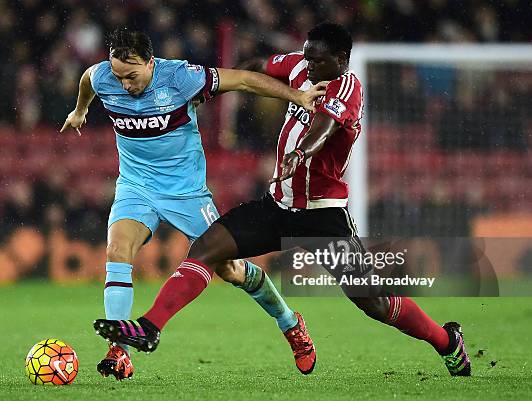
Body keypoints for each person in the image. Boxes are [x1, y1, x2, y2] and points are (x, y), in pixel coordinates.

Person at [96, 22, 472, 377]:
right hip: (276, 207)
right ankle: (148, 327)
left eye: (317, 60)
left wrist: (300, 152)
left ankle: (445, 340)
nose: (308, 65)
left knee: (372, 302)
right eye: (306, 56)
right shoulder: (299, 69)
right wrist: (217, 89)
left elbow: (325, 125)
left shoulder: (347, 88)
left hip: (322, 217)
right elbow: (259, 67)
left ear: (341, 60)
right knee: (205, 250)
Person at [61, 27, 326, 380]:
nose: (124, 84)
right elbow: (87, 80)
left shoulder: (181, 77)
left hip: (187, 193)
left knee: (229, 270)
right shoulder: (104, 75)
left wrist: (297, 96)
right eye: (119, 76)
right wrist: (80, 110)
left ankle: (290, 323)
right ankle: (120, 351)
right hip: (136, 187)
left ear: (151, 63)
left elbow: (245, 80)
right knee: (116, 251)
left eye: (132, 75)